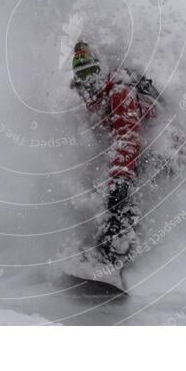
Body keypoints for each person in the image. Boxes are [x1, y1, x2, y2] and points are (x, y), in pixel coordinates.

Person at [70, 40, 158, 265]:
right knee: (98, 181)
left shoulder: (120, 91)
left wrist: (120, 181)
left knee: (122, 193)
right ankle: (99, 242)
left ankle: (120, 251)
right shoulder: (92, 101)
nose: (87, 79)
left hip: (163, 152)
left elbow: (127, 138)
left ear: (102, 67)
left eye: (92, 70)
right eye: (82, 74)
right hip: (133, 153)